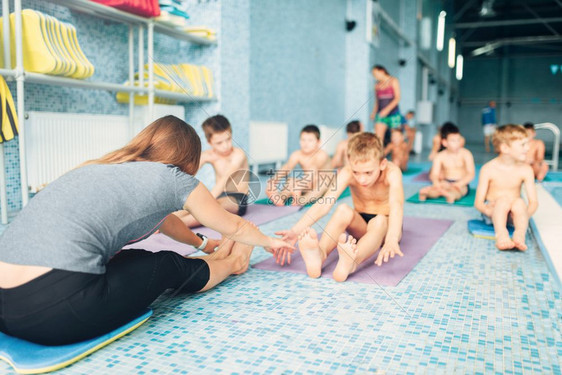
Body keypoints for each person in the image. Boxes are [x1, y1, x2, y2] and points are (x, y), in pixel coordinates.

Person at [0, 115, 293, 346]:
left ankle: (212, 260)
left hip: (4, 308)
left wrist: (203, 244)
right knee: (164, 264)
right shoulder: (171, 177)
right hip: (52, 312)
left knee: (133, 257)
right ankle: (233, 263)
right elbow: (234, 225)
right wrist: (269, 241)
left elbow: (164, 221)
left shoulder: (105, 167)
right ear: (188, 160)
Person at [275, 132, 404, 282]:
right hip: (361, 224)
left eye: (368, 172)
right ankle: (319, 255)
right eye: (357, 172)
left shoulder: (392, 172)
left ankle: (351, 262)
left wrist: (392, 239)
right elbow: (324, 204)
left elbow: (396, 205)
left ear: (382, 164)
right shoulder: (347, 172)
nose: (362, 179)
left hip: (387, 226)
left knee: (379, 220)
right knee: (343, 209)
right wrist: (295, 231)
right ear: (350, 162)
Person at [175, 115, 250, 228]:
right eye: (219, 143)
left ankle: (170, 226)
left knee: (211, 209)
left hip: (237, 199)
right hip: (218, 195)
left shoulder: (238, 155)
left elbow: (225, 178)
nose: (225, 146)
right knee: (191, 203)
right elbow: (186, 174)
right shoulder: (208, 155)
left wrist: (207, 200)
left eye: (228, 139)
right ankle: (164, 220)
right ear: (210, 142)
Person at [474, 124, 538, 251]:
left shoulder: (526, 170)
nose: (528, 148)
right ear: (505, 148)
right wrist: (489, 212)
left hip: (514, 215)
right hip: (493, 211)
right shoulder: (488, 169)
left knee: (519, 202)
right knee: (503, 201)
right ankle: (501, 235)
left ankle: (519, 234)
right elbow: (478, 202)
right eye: (523, 145)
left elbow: (534, 202)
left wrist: (523, 216)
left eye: (527, 144)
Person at [266, 124, 332, 206]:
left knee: (322, 182)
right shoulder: (297, 154)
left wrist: (299, 186)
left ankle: (301, 200)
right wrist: (274, 180)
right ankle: (280, 197)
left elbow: (313, 169)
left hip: (324, 186)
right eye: (303, 140)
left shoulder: (322, 154)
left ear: (318, 142)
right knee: (291, 181)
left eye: (310, 140)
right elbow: (287, 167)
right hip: (308, 183)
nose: (306, 143)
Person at [419, 123, 475, 203]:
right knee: (437, 189)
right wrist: (436, 182)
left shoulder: (466, 154)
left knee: (458, 191)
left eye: (458, 140)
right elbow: (434, 174)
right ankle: (426, 193)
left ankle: (451, 195)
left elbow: (471, 173)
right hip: (446, 181)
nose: (457, 143)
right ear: (445, 143)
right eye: (453, 141)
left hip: (461, 183)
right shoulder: (440, 156)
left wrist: (460, 183)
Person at [369, 65, 402, 142]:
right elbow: (377, 101)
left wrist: (387, 110)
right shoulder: (377, 85)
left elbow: (397, 98)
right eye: (373, 75)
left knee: (396, 139)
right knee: (378, 139)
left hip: (393, 113)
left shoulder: (393, 81)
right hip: (380, 114)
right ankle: (379, 154)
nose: (375, 76)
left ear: (382, 71)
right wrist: (374, 112)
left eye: (375, 74)